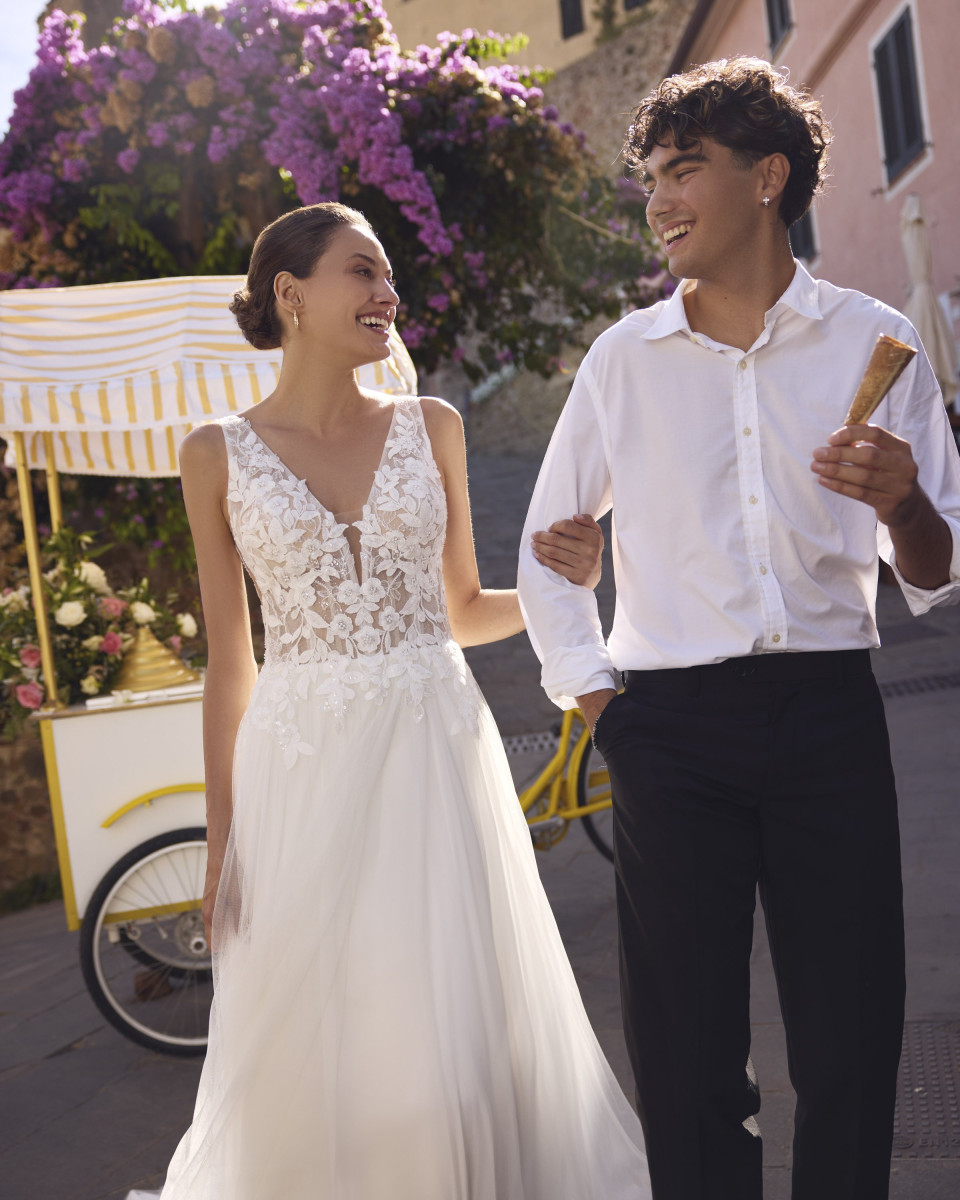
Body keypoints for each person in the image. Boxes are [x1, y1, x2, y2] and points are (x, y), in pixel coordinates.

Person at [518, 57, 960, 1200]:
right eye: (651, 178)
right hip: (669, 726)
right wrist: (608, 705)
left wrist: (904, 500)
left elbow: (937, 572)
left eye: (684, 170)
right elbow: (545, 559)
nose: (659, 201)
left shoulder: (875, 343)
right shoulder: (622, 363)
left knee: (852, 1040)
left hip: (828, 717)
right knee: (688, 1052)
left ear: (768, 178)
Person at [149, 201, 651, 1200]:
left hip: (433, 749)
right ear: (290, 294)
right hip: (300, 768)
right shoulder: (214, 452)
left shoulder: (435, 426)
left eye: (388, 278)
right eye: (363, 273)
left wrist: (572, 591)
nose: (389, 296)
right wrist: (223, 840)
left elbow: (459, 609)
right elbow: (229, 660)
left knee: (446, 1022)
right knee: (328, 1027)